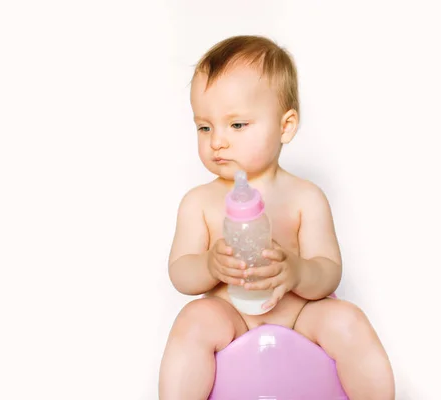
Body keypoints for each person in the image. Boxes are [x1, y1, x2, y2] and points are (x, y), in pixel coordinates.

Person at [158, 35, 394, 400]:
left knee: (347, 320)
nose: (217, 140)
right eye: (205, 127)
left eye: (236, 125)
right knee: (193, 321)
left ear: (285, 126)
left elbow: (329, 270)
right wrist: (209, 264)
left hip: (299, 317)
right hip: (232, 318)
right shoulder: (199, 202)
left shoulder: (305, 197)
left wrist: (298, 271)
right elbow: (180, 273)